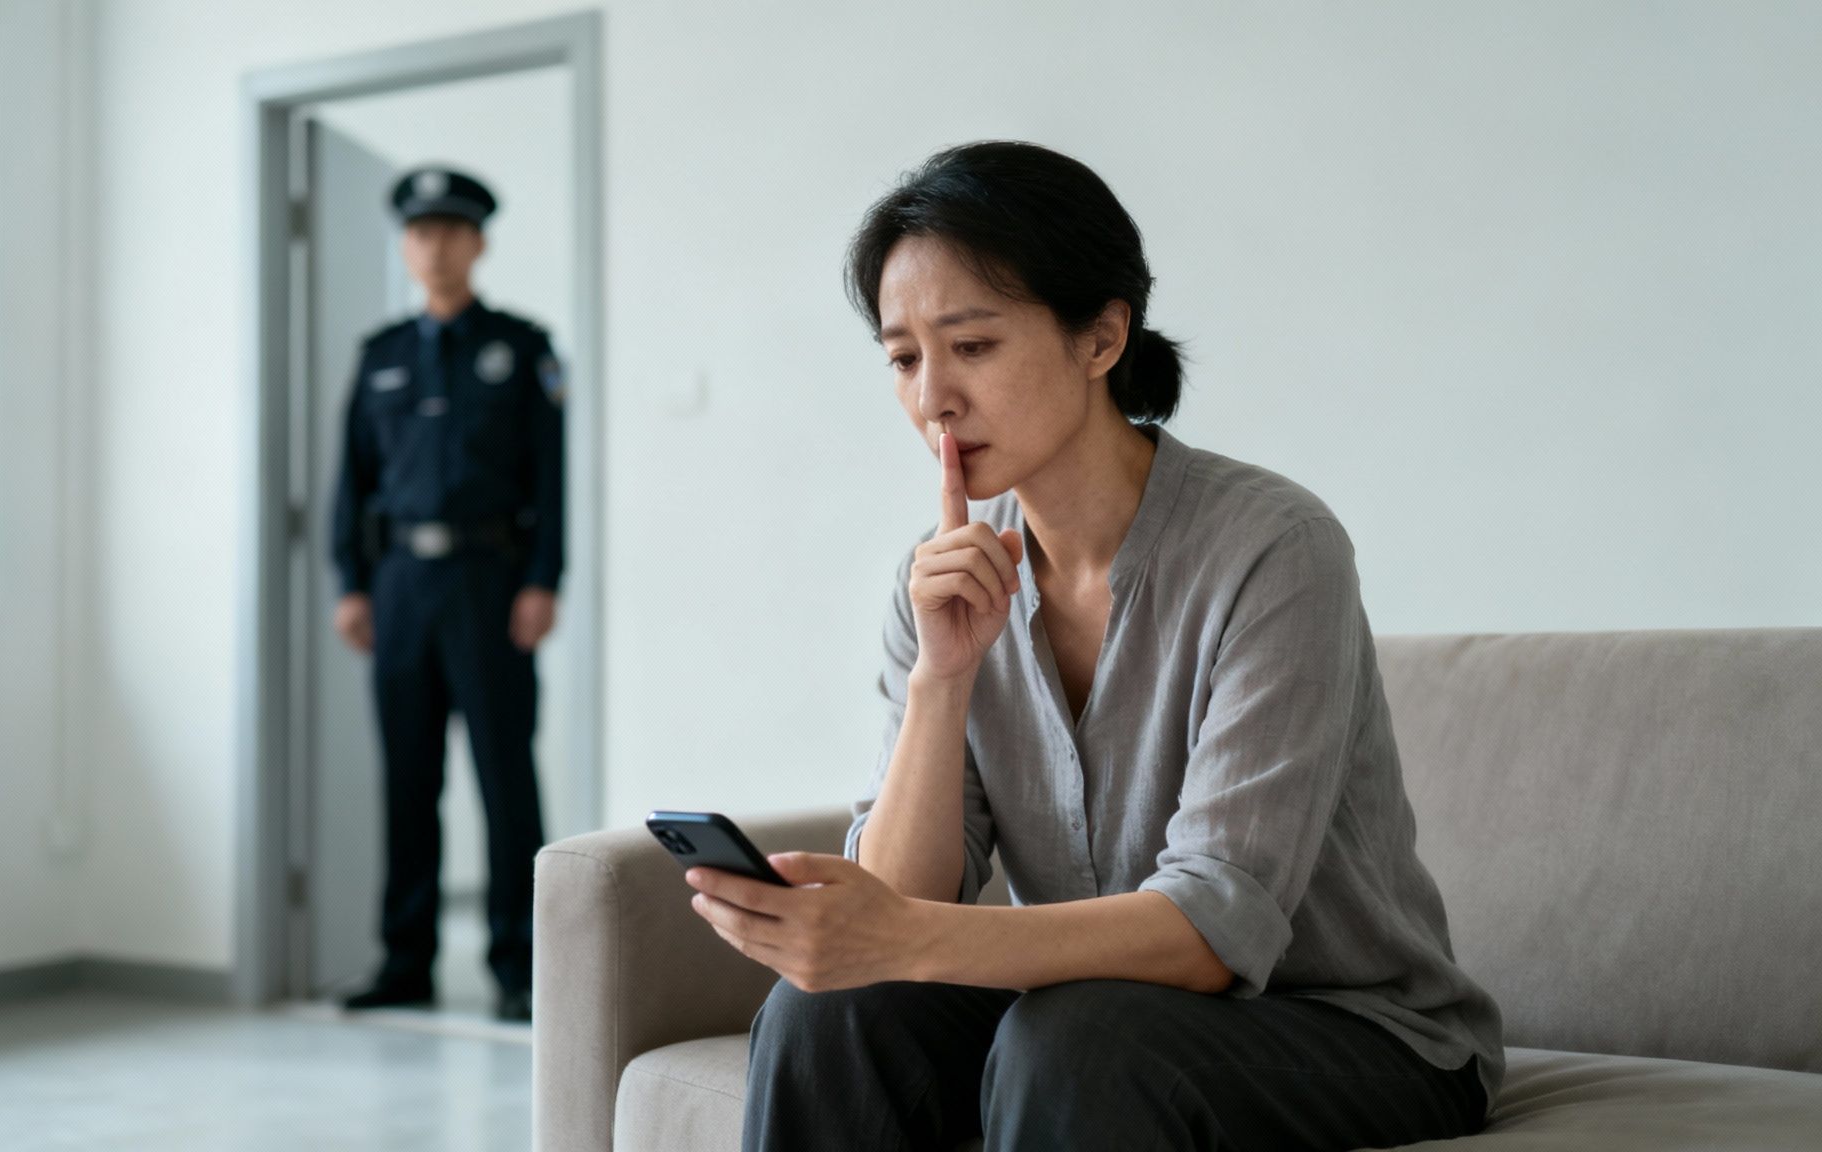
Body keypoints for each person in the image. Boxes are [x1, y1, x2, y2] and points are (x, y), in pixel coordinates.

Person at [680, 142, 1504, 1149]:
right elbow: (892, 922)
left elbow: (1212, 930)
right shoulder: (939, 584)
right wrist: (943, 680)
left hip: (1354, 1032)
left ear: (1100, 337)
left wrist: (901, 935)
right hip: (1094, 1009)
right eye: (903, 357)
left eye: (970, 346)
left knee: (1074, 1040)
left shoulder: (1273, 550)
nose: (930, 395)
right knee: (828, 1013)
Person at [330, 165, 565, 1022]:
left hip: (491, 584)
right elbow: (351, 484)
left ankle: (518, 966)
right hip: (398, 590)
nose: (434, 246)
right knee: (408, 778)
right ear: (407, 245)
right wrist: (350, 584)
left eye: (451, 231)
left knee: (505, 777)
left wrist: (544, 578)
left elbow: (553, 476)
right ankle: (404, 959)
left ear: (477, 243)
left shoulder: (522, 347)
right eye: (420, 232)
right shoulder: (380, 356)